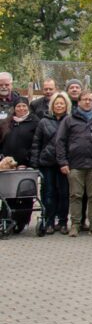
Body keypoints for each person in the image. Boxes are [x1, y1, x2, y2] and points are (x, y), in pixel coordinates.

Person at [56, 89, 92, 237]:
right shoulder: (69, 120)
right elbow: (60, 142)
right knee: (75, 196)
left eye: (90, 99)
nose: (87, 102)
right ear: (78, 102)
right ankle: (75, 225)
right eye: (84, 99)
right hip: (75, 165)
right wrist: (63, 162)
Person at [31, 92, 71, 234]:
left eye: (62, 103)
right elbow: (36, 143)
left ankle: (63, 221)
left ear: (67, 105)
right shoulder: (43, 121)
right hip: (47, 163)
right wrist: (35, 164)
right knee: (48, 193)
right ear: (52, 105)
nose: (59, 105)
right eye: (56, 103)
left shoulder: (70, 121)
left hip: (64, 164)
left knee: (64, 193)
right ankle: (49, 221)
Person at [0, 98, 37, 232]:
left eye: (24, 106)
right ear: (14, 108)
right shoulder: (7, 123)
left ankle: (22, 222)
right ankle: (7, 220)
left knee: (25, 194)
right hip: (7, 167)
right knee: (7, 194)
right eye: (18, 106)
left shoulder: (34, 122)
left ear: (28, 107)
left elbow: (36, 144)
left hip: (25, 165)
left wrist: (30, 162)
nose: (21, 109)